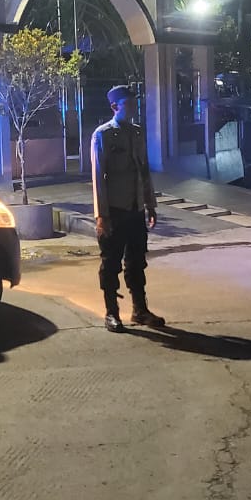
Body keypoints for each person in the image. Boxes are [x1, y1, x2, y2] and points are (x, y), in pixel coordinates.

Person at [91, 85, 166, 332]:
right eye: (128, 104)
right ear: (114, 107)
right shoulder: (102, 135)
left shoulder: (137, 132)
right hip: (114, 210)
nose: (133, 108)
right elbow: (98, 178)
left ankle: (140, 310)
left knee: (136, 262)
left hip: (135, 209)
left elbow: (143, 171)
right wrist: (101, 215)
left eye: (135, 104)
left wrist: (150, 204)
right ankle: (111, 313)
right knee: (110, 263)